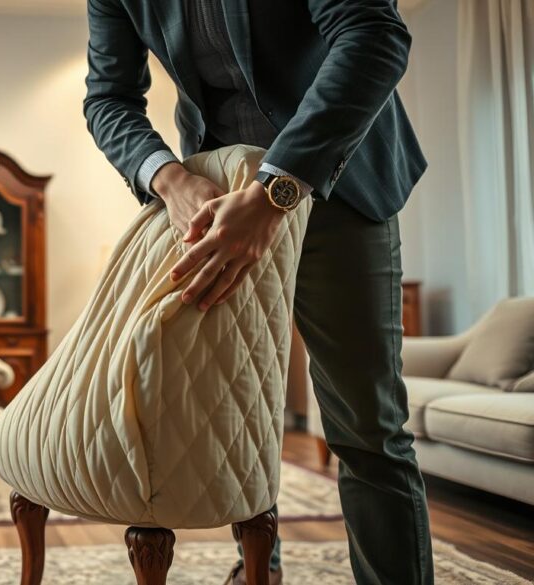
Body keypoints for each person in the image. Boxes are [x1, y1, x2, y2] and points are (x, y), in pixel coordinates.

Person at [82, 1, 434, 584]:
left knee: (368, 428)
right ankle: (257, 572)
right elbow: (107, 99)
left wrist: (278, 188)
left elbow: (373, 34)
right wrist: (170, 182)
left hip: (340, 185)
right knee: (238, 416)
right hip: (216, 198)